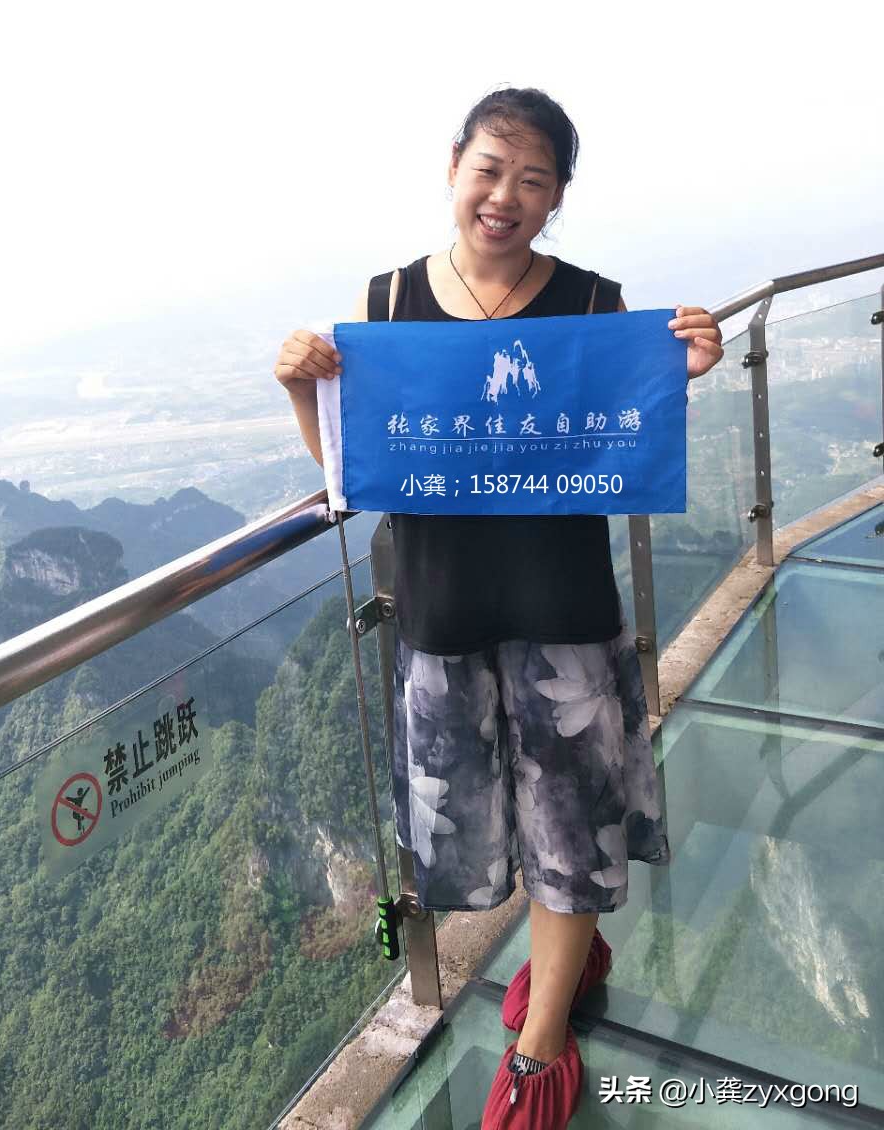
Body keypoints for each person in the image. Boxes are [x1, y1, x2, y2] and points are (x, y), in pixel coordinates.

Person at [273, 86, 723, 1129]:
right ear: (453, 167)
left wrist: (684, 372)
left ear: (557, 196)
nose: (506, 195)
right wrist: (305, 390)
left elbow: (622, 441)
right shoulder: (389, 303)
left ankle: (541, 1043)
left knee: (569, 835)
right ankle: (569, 964)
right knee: (481, 834)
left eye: (534, 179)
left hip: (564, 614)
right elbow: (356, 472)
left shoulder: (594, 303)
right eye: (490, 169)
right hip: (442, 619)